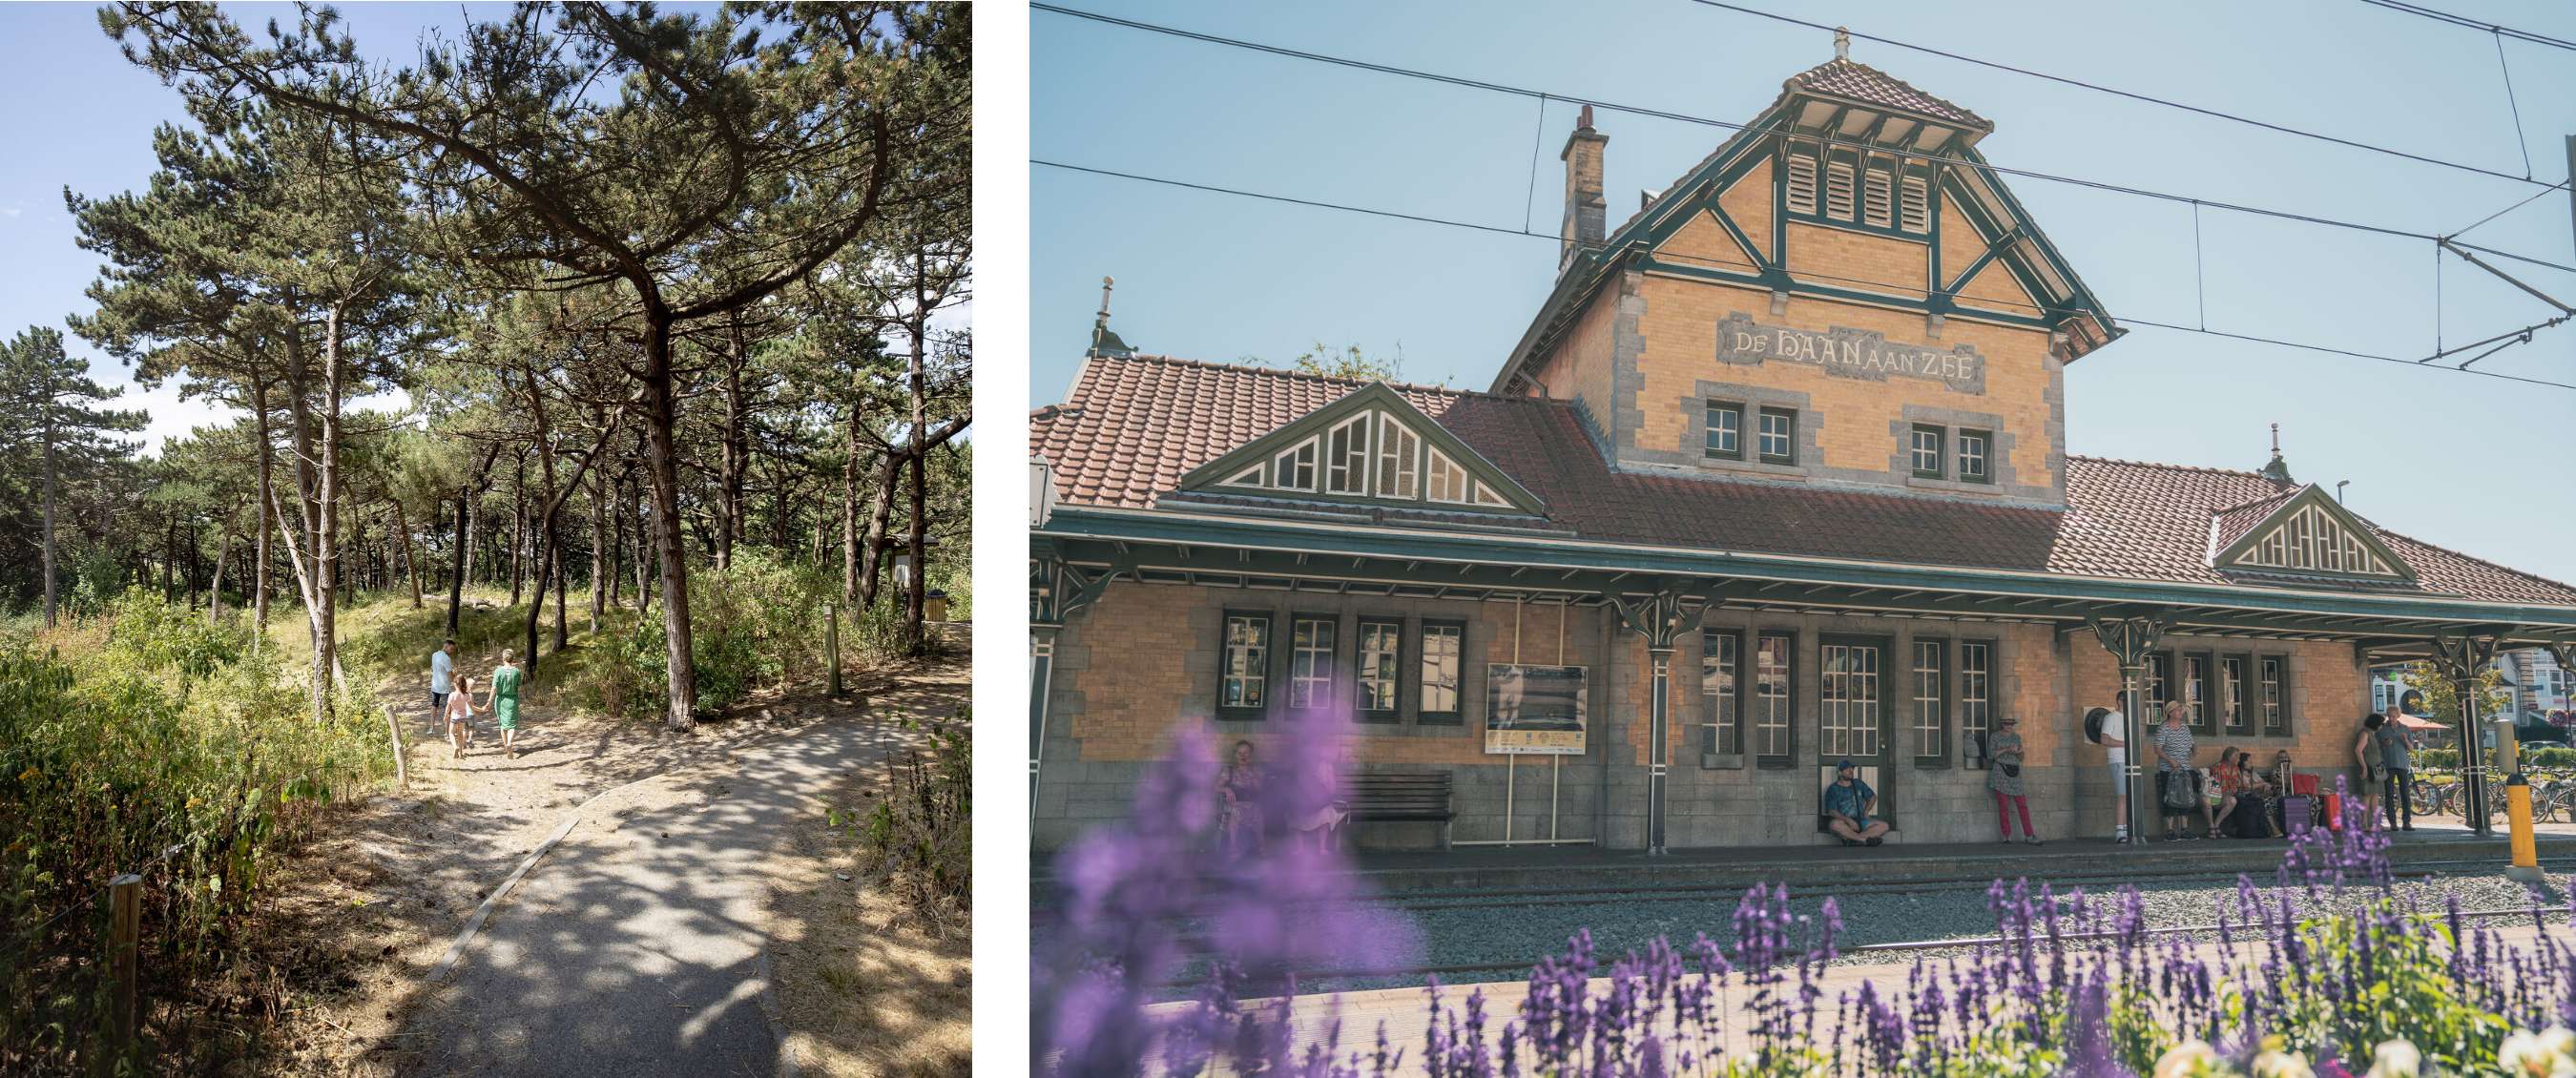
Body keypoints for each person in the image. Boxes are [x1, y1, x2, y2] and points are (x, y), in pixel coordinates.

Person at [2154, 700, 2216, 840]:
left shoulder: (2184, 728)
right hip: (2168, 770)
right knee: (2170, 798)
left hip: (2185, 768)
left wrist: (2194, 751)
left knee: (2186, 798)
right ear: (2170, 713)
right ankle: (2170, 830)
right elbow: (2157, 749)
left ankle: (2184, 829)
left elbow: (2192, 744)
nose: (2180, 712)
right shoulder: (2163, 728)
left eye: (2181, 710)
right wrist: (2170, 760)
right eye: (2177, 710)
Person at [1988, 716, 2039, 844]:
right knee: (2003, 805)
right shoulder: (1995, 736)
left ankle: (2029, 834)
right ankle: (2006, 835)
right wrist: (2007, 749)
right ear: (2002, 725)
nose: (2008, 726)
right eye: (2006, 724)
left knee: (2022, 804)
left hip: (2014, 771)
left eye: (2011, 724)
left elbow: (2021, 758)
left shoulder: (2016, 737)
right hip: (2000, 771)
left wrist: (2020, 752)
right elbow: (1990, 754)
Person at [1824, 759, 1890, 846]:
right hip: (1844, 823)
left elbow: (1872, 797)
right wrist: (1848, 820)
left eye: (1852, 769)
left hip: (1861, 821)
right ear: (1840, 773)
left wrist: (1866, 811)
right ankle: (1864, 840)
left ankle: (1853, 840)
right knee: (1834, 824)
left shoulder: (1858, 783)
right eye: (1847, 769)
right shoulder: (1833, 789)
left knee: (1884, 826)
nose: (1851, 771)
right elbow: (1832, 811)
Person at [1218, 740, 1263, 856]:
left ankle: (1261, 847)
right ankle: (1234, 848)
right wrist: (1226, 789)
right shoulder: (1229, 771)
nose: (1243, 756)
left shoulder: (1256, 771)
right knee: (1236, 813)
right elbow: (1215, 787)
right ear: (1236, 755)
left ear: (1251, 755)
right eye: (1240, 753)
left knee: (1258, 812)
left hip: (1251, 804)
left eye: (1246, 753)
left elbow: (1261, 789)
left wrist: (1254, 777)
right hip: (1234, 805)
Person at [2376, 713, 2416, 831]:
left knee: (2405, 794)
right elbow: (2375, 746)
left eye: (2393, 716)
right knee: (2389, 794)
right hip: (2387, 765)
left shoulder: (2405, 728)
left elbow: (2411, 748)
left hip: (2402, 765)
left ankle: (2406, 822)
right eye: (2389, 716)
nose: (2391, 718)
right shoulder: (2382, 729)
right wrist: (2384, 743)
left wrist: (2405, 740)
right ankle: (2392, 823)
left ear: (2398, 716)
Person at [2102, 693, 2131, 843]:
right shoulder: (2111, 717)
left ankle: (2125, 829)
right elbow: (2104, 739)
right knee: (2122, 795)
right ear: (2120, 701)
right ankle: (2120, 831)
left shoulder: (2129, 718)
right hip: (2118, 759)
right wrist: (2125, 744)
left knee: (2128, 796)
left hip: (2130, 761)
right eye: (2126, 701)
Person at [2354, 714, 2388, 832]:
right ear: (2376, 724)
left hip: (2376, 769)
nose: (2382, 726)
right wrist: (2364, 767)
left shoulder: (2372, 734)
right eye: (2381, 724)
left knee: (2374, 795)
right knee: (2367, 796)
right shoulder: (2365, 733)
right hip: (2369, 768)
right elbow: (2358, 750)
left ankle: (2376, 823)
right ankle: (2364, 824)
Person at [489, 648, 525, 760]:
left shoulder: (498, 671)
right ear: (512, 659)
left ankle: (506, 747)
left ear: (503, 658)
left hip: (500, 700)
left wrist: (489, 701)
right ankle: (510, 742)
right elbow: (520, 687)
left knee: (503, 725)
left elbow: (494, 687)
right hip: (513, 700)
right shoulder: (517, 671)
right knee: (512, 724)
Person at [443, 673, 479, 760]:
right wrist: (476, 711)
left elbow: (448, 707)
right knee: (460, 734)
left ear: (455, 684)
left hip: (454, 717)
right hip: (463, 718)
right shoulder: (466, 695)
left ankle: (455, 747)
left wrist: (446, 715)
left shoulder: (452, 695)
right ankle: (461, 753)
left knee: (451, 733)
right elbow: (471, 706)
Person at [430, 637, 456, 716]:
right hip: (444, 687)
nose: (452, 651)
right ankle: (448, 728)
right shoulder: (447, 658)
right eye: (451, 649)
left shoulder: (434, 655)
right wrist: (455, 673)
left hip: (435, 686)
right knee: (447, 708)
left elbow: (436, 669)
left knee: (434, 706)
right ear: (445, 646)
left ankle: (431, 727)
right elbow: (451, 677)